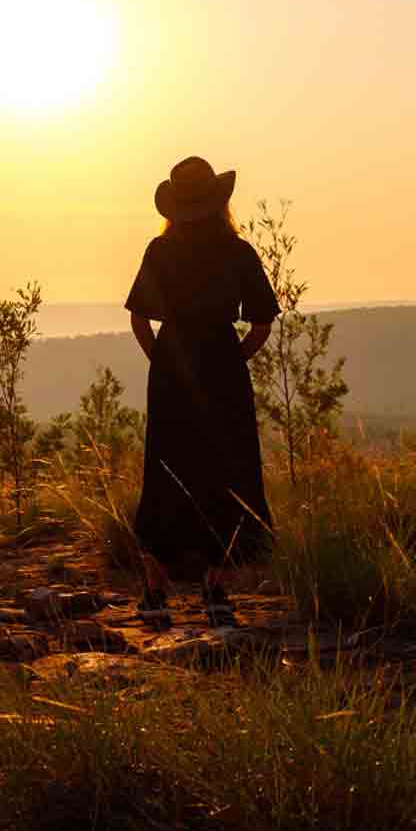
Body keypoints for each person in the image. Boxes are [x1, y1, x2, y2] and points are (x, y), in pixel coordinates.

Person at [124, 156, 280, 622]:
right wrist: (233, 360)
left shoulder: (160, 250)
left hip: (172, 369)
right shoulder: (238, 252)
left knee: (165, 470)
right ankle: (216, 589)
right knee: (227, 472)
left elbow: (139, 317)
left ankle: (155, 591)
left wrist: (163, 360)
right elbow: (261, 323)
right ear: (218, 203)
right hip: (221, 369)